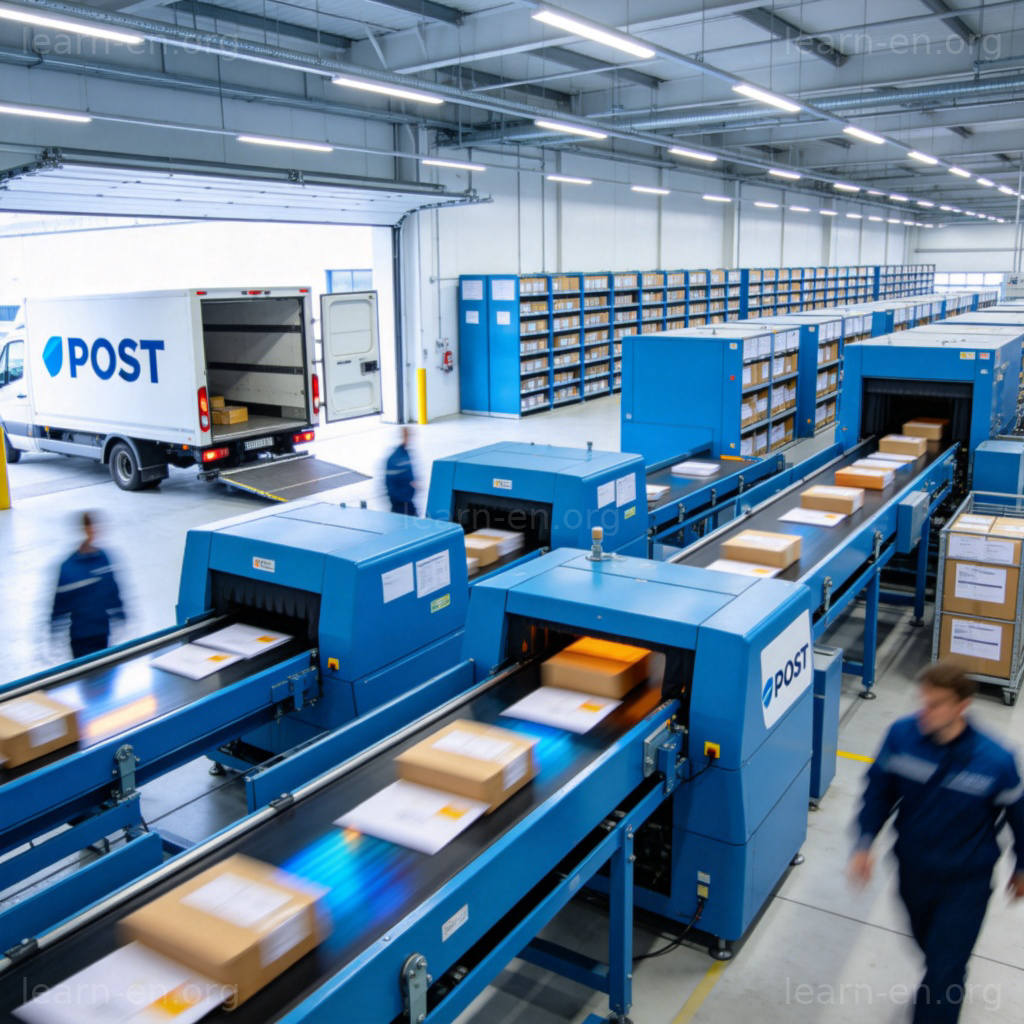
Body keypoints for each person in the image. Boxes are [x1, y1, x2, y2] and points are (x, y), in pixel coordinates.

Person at [848, 660, 1024, 1023]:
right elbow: (879, 793)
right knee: (932, 953)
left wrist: (1022, 866)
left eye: (935, 704)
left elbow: (1020, 818)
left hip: (965, 883)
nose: (924, 712)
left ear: (961, 706)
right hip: (913, 873)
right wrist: (865, 842)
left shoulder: (995, 761)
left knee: (945, 970)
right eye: (923, 702)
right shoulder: (901, 737)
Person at [51, 511, 125, 659]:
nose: (94, 532)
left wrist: (120, 614)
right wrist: (54, 631)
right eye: (90, 528)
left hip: (102, 631)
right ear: (84, 530)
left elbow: (112, 589)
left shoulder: (103, 558)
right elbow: (59, 604)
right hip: (81, 638)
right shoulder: (68, 567)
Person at [385, 426, 417, 516]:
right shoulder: (396, 458)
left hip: (408, 501)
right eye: (407, 435)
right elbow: (390, 484)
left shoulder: (406, 454)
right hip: (400, 504)